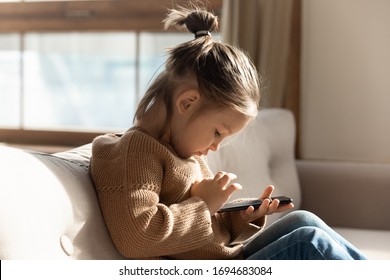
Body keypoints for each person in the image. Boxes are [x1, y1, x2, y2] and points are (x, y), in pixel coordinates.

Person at [89, 5, 367, 260]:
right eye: (218, 132)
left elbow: (205, 232)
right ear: (187, 102)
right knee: (309, 241)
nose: (216, 146)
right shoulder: (135, 153)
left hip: (225, 260)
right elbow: (138, 237)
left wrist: (241, 217)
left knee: (303, 221)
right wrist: (203, 203)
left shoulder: (187, 154)